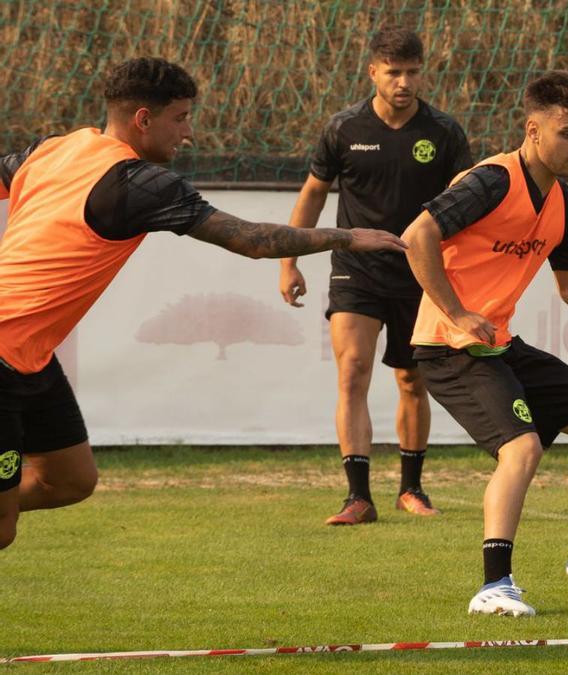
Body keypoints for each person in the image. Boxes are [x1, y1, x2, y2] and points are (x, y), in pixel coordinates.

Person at [0, 57, 406, 551]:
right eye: (181, 118)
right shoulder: (138, 183)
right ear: (143, 119)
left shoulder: (52, 150)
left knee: (70, 480)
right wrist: (346, 236)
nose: (189, 133)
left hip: (29, 358)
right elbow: (252, 239)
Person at [402, 70, 568, 617]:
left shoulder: (563, 203)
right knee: (521, 447)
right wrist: (457, 312)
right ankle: (494, 586)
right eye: (567, 133)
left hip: (497, 343)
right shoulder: (490, 182)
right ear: (533, 129)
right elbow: (417, 235)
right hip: (447, 346)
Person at [279, 27, 472, 525]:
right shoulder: (344, 128)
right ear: (373, 73)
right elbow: (314, 193)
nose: (404, 82)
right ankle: (357, 498)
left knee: (412, 379)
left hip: (420, 274)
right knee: (353, 371)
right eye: (393, 73)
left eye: (412, 72)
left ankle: (411, 489)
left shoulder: (444, 132)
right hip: (356, 271)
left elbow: (466, 204)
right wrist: (289, 260)